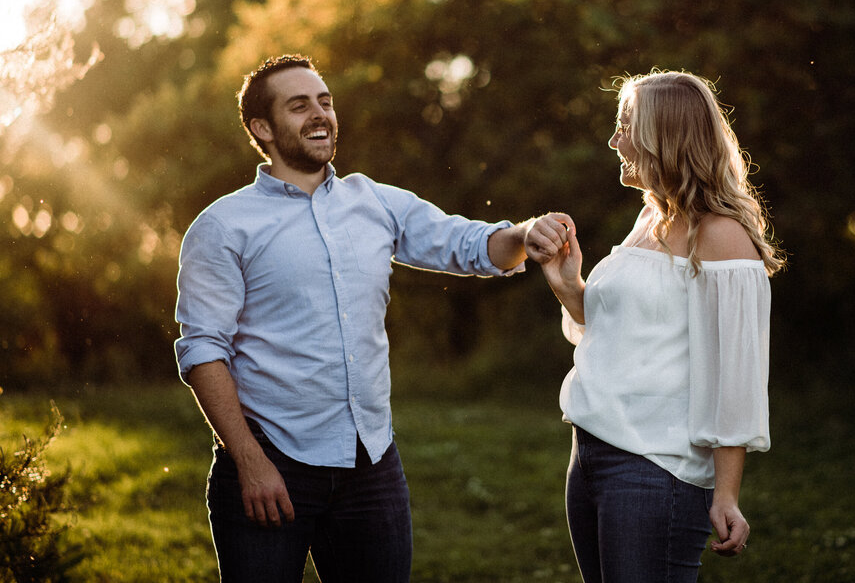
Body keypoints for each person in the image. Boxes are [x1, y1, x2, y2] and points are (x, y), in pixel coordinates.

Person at [174, 54, 547, 582]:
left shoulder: (374, 201)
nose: (320, 114)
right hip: (270, 463)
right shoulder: (223, 226)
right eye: (299, 105)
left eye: (325, 102)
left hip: (371, 467)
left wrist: (526, 234)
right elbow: (203, 350)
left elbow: (468, 244)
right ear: (262, 127)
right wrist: (249, 462)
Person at [524, 70, 784, 583]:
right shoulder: (651, 219)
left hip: (654, 470)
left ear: (664, 136)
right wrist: (568, 286)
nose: (613, 140)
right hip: (591, 454)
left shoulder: (721, 235)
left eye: (625, 126)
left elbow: (736, 374)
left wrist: (726, 492)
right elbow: (617, 335)